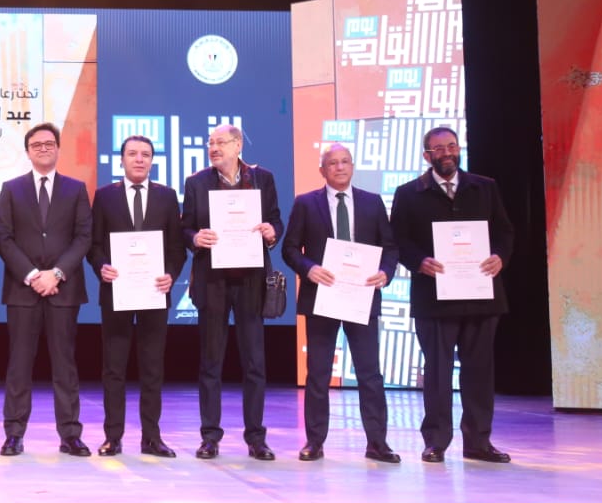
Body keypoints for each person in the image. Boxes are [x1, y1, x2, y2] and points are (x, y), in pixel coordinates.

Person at [390, 126, 515, 463]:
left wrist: (500, 257)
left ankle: (478, 442)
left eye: (451, 146)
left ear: (459, 149)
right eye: (439, 149)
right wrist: (419, 261)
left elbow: (504, 232)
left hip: (480, 295)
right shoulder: (409, 193)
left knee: (479, 372)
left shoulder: (484, 187)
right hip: (433, 297)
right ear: (426, 155)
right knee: (437, 373)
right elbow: (398, 240)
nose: (447, 153)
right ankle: (436, 441)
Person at [282, 143, 400, 463]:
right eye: (332, 163)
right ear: (322, 170)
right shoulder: (306, 203)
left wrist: (385, 272)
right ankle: (314, 442)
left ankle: (378, 443)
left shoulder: (372, 202)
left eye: (345, 161)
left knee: (370, 374)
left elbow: (390, 247)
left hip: (362, 297)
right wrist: (309, 268)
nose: (339, 167)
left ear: (352, 166)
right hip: (322, 298)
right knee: (318, 374)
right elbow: (289, 248)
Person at [181, 123, 283, 461]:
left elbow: (276, 221)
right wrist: (195, 238)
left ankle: (256, 437)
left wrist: (271, 232)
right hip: (212, 280)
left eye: (220, 142)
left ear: (238, 145)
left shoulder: (262, 178)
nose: (213, 148)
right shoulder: (197, 182)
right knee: (211, 361)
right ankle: (210, 437)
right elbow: (185, 227)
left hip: (251, 279)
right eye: (210, 142)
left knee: (254, 361)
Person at [0, 122, 93, 457]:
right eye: (37, 145)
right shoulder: (11, 189)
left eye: (49, 143)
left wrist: (57, 274)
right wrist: (33, 274)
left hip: (64, 290)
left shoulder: (76, 189)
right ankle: (13, 434)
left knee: (65, 364)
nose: (43, 148)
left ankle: (70, 435)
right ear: (28, 151)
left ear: (58, 148)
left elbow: (83, 237)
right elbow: (3, 238)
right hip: (23, 290)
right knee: (19, 365)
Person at [86, 135, 187, 457]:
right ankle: (112, 437)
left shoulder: (167, 197)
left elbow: (177, 248)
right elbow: (93, 244)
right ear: (122, 160)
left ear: (152, 160)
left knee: (152, 369)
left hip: (154, 294)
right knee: (114, 368)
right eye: (132, 154)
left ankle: (151, 438)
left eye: (145, 154)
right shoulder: (105, 196)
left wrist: (171, 273)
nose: (139, 159)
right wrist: (101, 266)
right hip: (116, 292)